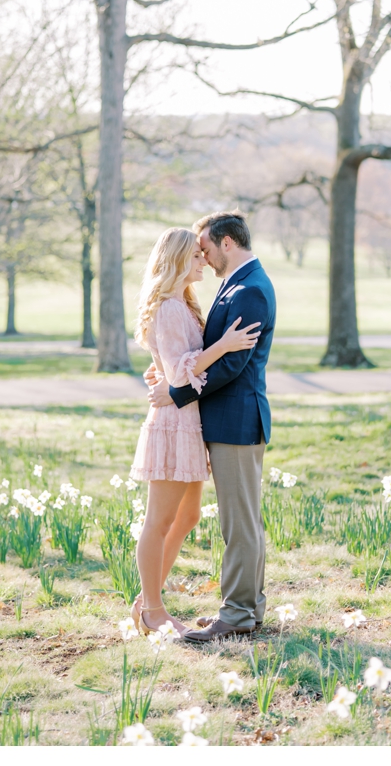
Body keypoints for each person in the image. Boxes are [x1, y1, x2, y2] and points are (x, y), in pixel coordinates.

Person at [146, 211, 277, 643]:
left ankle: (238, 613)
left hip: (236, 419)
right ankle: (246, 608)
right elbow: (189, 351)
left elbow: (234, 365)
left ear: (226, 243)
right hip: (218, 419)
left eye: (205, 248)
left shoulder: (250, 291)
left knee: (239, 523)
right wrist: (165, 374)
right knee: (242, 521)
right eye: (195, 252)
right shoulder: (234, 286)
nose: (202, 257)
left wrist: (177, 391)